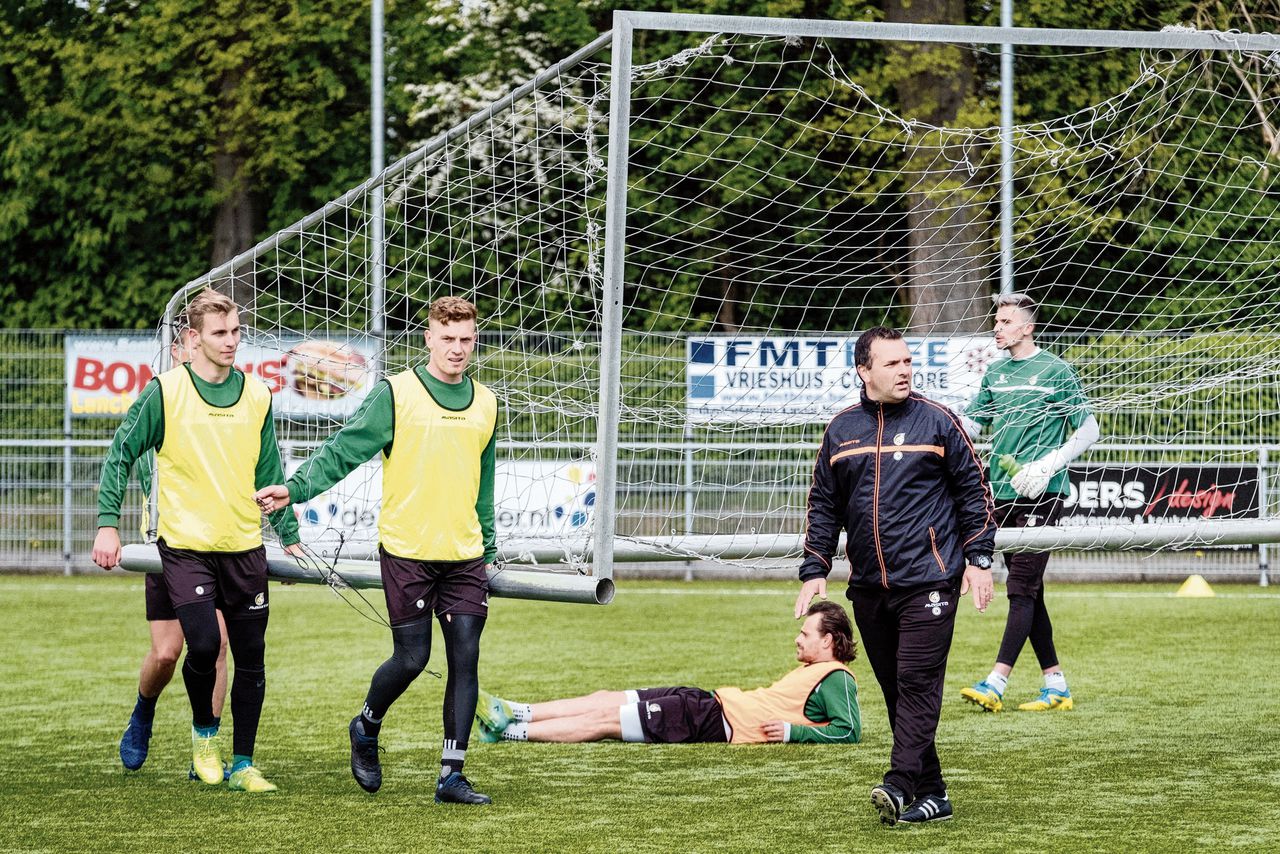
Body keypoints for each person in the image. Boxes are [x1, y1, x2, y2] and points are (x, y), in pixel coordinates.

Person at [255, 296, 498, 805]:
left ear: (475, 341)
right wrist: (294, 490)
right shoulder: (397, 394)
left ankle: (451, 776)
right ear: (428, 338)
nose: (457, 349)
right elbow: (343, 450)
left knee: (466, 659)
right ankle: (366, 727)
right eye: (447, 338)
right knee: (412, 658)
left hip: (465, 554)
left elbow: (485, 482)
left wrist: (489, 544)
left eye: (466, 340)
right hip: (408, 551)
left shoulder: (486, 402)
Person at [92, 288, 303, 793]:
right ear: (192, 339)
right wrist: (106, 522)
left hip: (242, 546)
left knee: (243, 649)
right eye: (220, 333)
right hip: (181, 545)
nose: (231, 342)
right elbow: (122, 451)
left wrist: (289, 533)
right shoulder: (165, 392)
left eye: (236, 332)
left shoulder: (257, 395)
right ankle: (173, 725)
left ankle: (241, 763)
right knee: (186, 648)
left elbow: (268, 468)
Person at [795, 325, 995, 827]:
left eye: (907, 361)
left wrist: (978, 559)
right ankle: (934, 793)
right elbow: (824, 504)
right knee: (895, 690)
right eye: (892, 363)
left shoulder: (938, 421)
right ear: (864, 371)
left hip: (930, 579)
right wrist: (815, 567)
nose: (905, 370)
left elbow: (974, 492)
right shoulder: (841, 430)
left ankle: (900, 782)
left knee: (916, 680)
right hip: (868, 587)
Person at [958, 293, 1098, 714]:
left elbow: (1089, 429)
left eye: (1004, 321)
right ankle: (1056, 685)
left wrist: (1047, 464)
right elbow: (969, 424)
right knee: (1030, 590)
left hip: (1044, 492)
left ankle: (996, 681)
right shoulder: (995, 373)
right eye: (995, 321)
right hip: (999, 493)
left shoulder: (1056, 370)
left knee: (1019, 587)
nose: (996, 328)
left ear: (1026, 327)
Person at [474, 601, 861, 746]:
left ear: (829, 641)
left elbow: (849, 731)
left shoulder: (837, 677)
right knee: (607, 698)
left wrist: (794, 733)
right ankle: (514, 708)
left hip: (715, 722)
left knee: (608, 720)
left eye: (805, 633)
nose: (797, 639)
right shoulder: (816, 668)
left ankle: (508, 730)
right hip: (710, 700)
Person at [115, 337, 231, 777]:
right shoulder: (162, 400)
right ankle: (143, 713)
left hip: (220, 547)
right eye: (185, 347)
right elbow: (130, 457)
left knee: (218, 645)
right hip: (171, 547)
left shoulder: (232, 400)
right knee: (167, 653)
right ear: (178, 350)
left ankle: (207, 744)